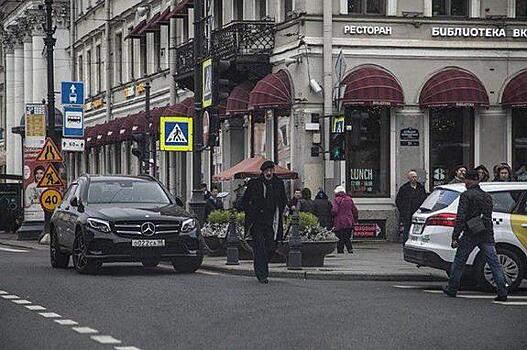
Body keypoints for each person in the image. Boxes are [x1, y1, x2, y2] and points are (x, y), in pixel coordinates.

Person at [443, 169, 508, 302]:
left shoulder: (466, 196)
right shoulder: (487, 196)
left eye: (466, 180)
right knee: (494, 263)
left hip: (470, 233)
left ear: (469, 180)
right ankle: (502, 291)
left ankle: (452, 287)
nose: (464, 183)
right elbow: (488, 217)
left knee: (459, 261)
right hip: (486, 233)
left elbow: (461, 217)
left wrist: (455, 236)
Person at [241, 161, 287, 283]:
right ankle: (262, 274)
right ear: (263, 172)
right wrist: (249, 212)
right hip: (257, 221)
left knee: (271, 247)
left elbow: (283, 200)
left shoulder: (278, 184)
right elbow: (244, 201)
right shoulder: (254, 184)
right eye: (266, 171)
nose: (269, 173)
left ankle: (262, 264)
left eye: (271, 170)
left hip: (272, 221)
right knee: (260, 247)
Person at [395, 170, 427, 245]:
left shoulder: (420, 188)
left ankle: (417, 243)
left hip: (418, 213)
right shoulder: (404, 188)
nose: (414, 179)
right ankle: (406, 243)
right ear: (409, 178)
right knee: (407, 229)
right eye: (412, 177)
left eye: (415, 177)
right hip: (408, 213)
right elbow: (398, 201)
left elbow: (424, 199)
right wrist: (403, 211)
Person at [331, 186, 358, 254]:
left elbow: (334, 210)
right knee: (347, 237)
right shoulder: (349, 199)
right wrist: (355, 220)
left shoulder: (336, 200)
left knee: (340, 238)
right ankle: (350, 249)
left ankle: (340, 250)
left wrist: (332, 215)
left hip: (339, 222)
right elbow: (354, 210)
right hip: (349, 221)